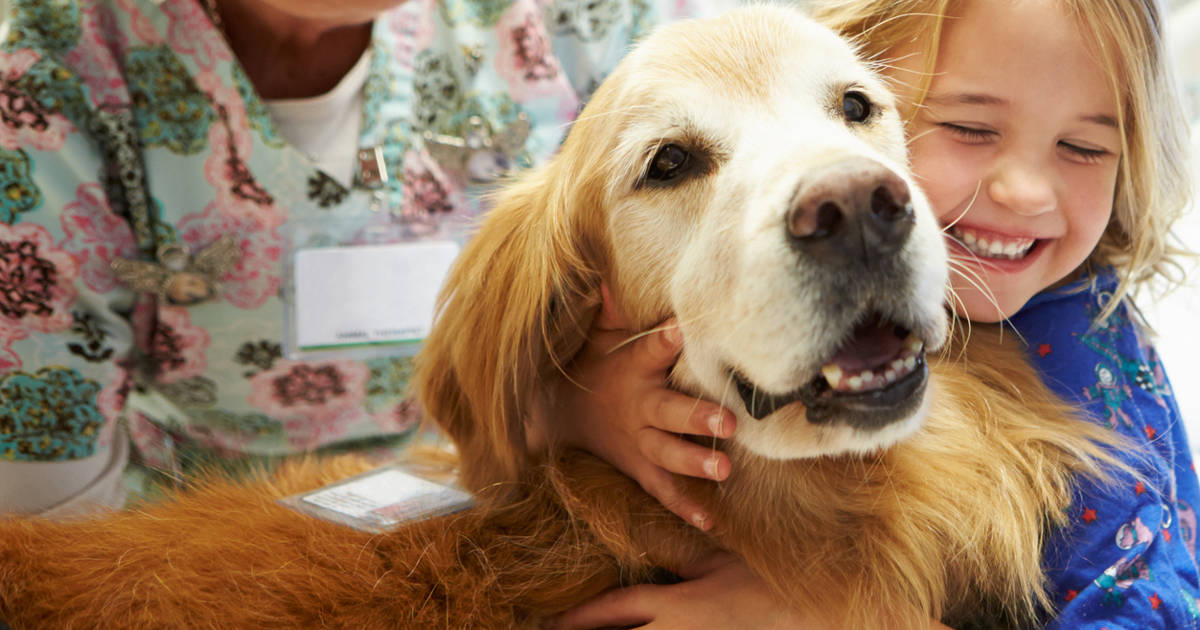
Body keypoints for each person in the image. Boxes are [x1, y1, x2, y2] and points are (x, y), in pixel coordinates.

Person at [547, 0, 1200, 627]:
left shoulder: (1094, 364)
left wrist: (835, 621)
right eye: (970, 128)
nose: (1024, 193)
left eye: (1084, 148)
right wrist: (578, 405)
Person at [0, 0, 730, 515]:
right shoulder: (54, 72)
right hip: (190, 528)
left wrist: (565, 409)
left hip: (531, 483)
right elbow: (46, 493)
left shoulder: (584, 23)